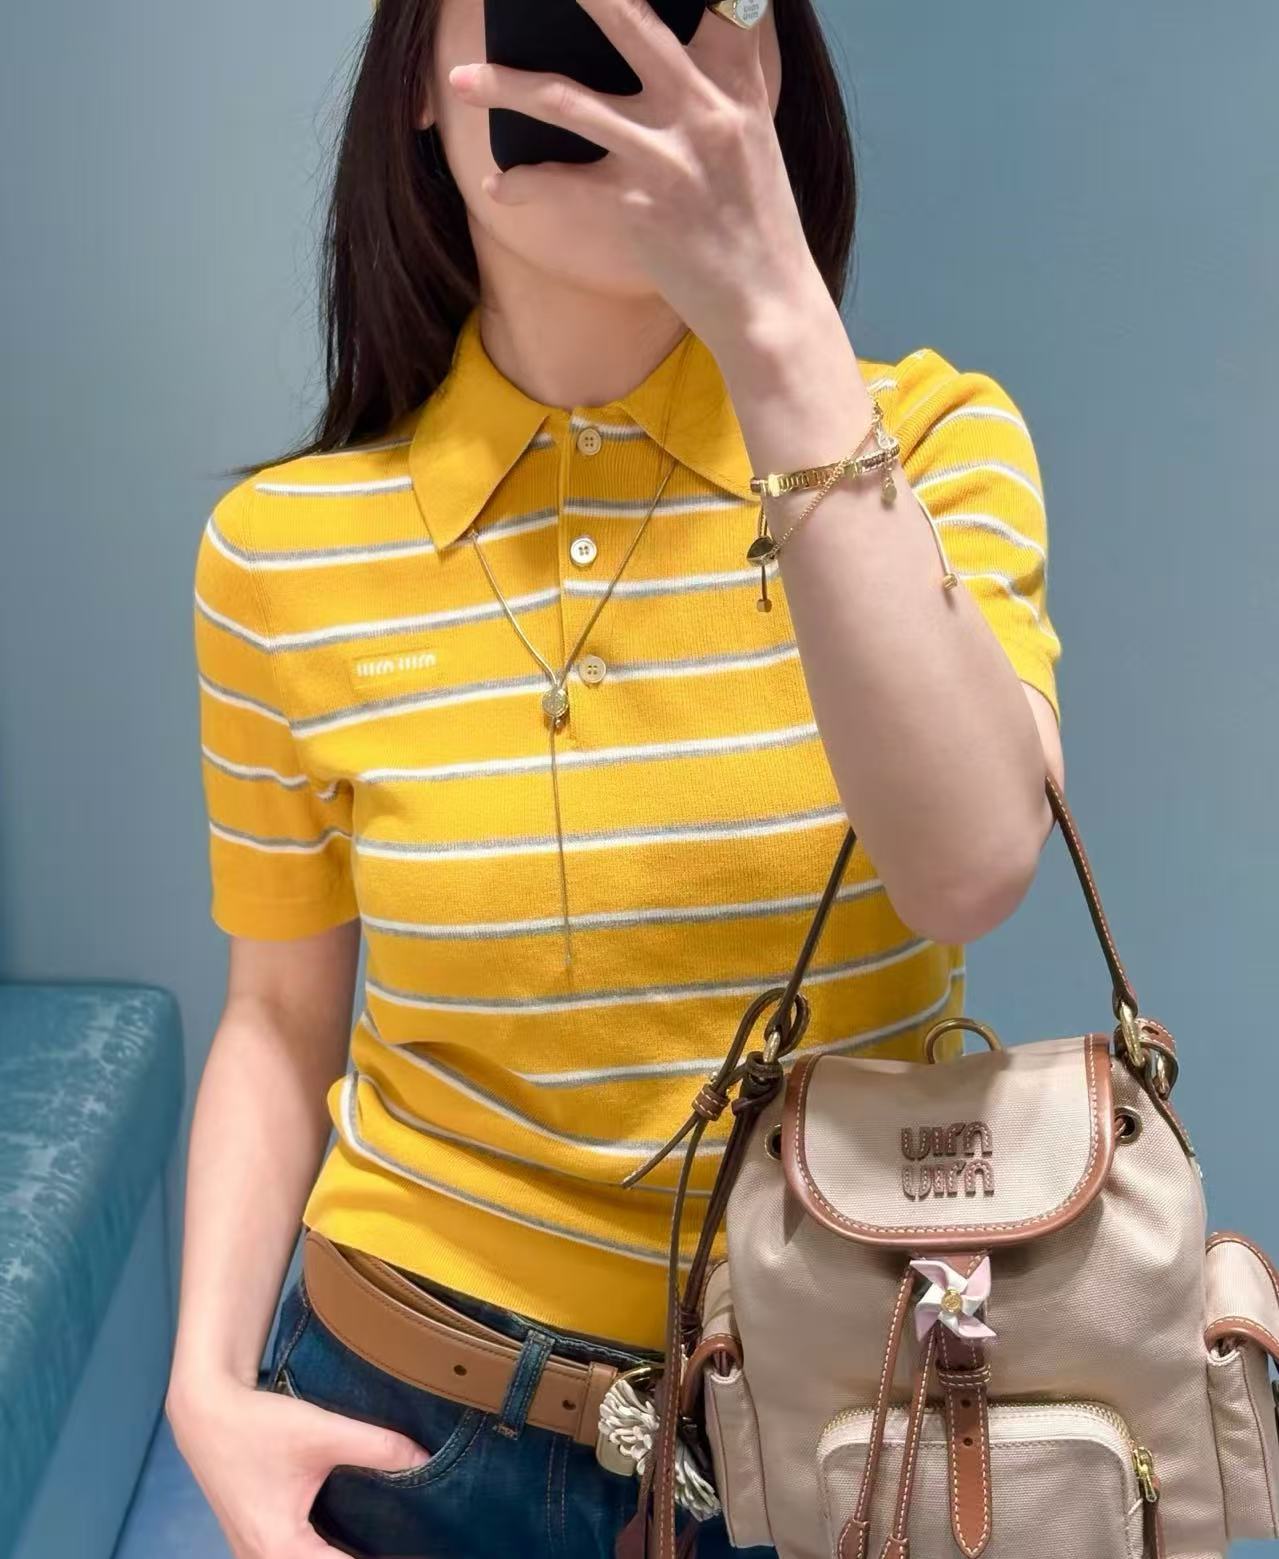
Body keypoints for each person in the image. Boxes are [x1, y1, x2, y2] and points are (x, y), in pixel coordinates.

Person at [165, 0, 1065, 1555]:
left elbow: (972, 865)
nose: (608, 42)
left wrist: (775, 321)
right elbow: (277, 1016)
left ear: (762, 62)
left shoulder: (930, 442)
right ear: (422, 87)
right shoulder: (276, 556)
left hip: (848, 1423)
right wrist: (201, 1386)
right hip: (406, 1422)